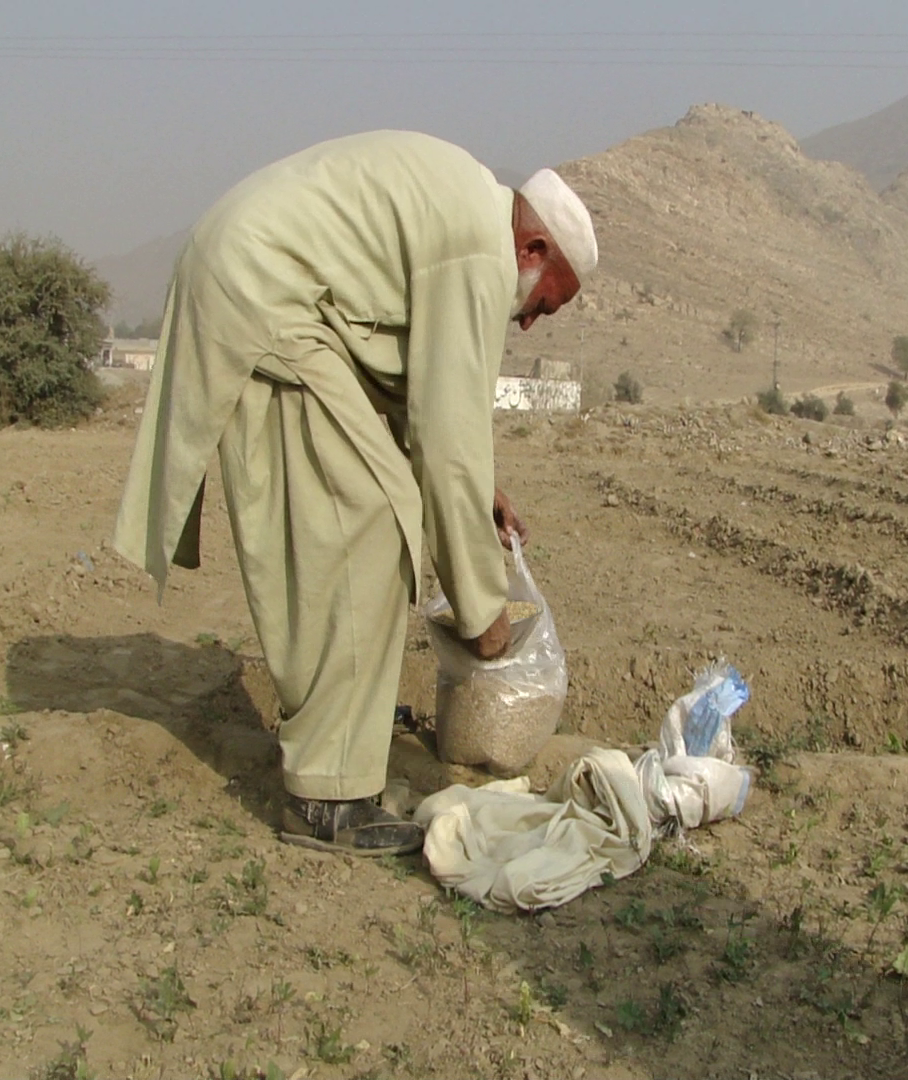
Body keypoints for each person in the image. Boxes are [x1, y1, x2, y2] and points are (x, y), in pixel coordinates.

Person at [113, 130, 597, 857]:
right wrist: (483, 611)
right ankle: (327, 799)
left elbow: (424, 391)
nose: (527, 322)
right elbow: (446, 432)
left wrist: (480, 491)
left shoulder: (468, 214)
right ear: (532, 251)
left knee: (367, 512)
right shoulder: (481, 249)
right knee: (369, 522)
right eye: (543, 306)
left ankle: (333, 754)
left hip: (261, 282)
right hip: (265, 294)